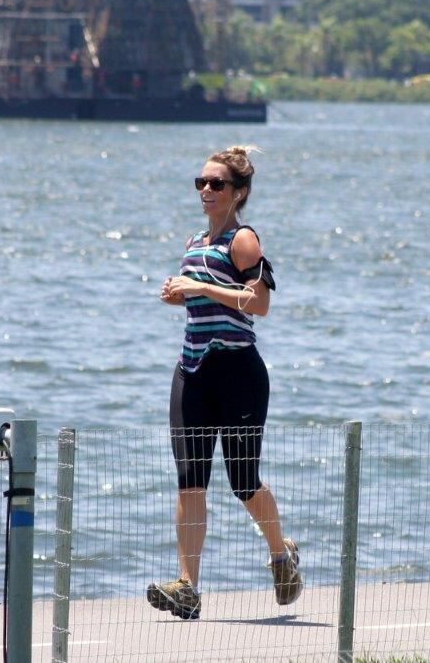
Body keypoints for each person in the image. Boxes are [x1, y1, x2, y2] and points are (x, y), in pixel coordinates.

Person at [146, 146, 301, 621]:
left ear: (239, 193)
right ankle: (188, 587)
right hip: (191, 372)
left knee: (242, 481)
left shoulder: (244, 240)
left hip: (238, 373)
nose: (206, 191)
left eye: (217, 184)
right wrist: (180, 296)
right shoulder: (195, 241)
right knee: (190, 481)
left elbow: (258, 304)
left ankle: (282, 555)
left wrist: (201, 288)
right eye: (201, 183)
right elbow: (204, 303)